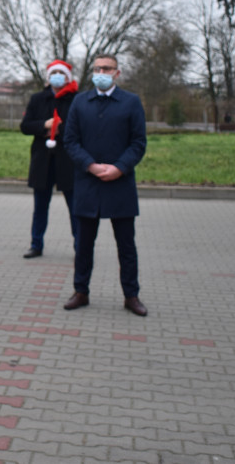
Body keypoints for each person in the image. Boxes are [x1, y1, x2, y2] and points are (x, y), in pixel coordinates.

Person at [62, 53, 148, 316]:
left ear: (117, 73)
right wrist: (90, 165)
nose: (101, 72)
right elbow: (71, 141)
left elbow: (138, 143)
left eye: (107, 68)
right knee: (84, 244)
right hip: (88, 183)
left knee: (126, 246)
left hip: (120, 184)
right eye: (97, 68)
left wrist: (120, 167)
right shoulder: (80, 102)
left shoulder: (131, 102)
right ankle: (81, 291)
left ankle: (131, 296)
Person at [19, 59, 80, 258]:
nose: (57, 77)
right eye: (53, 73)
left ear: (67, 77)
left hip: (67, 160)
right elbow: (25, 126)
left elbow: (79, 127)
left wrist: (58, 129)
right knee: (40, 207)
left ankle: (81, 245)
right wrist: (44, 125)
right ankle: (36, 244)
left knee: (74, 207)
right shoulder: (38, 99)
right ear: (48, 77)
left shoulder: (76, 100)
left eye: (61, 73)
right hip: (42, 161)